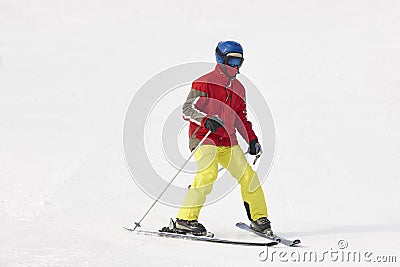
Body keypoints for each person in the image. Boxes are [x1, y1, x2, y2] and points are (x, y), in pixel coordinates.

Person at [174, 41, 272, 236]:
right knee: (208, 174)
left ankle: (259, 219)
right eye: (232, 60)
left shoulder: (239, 88)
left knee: (249, 177)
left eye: (239, 62)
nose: (236, 66)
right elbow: (187, 109)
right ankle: (185, 220)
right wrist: (205, 120)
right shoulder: (203, 83)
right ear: (220, 59)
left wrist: (252, 139)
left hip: (228, 141)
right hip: (204, 138)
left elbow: (241, 118)